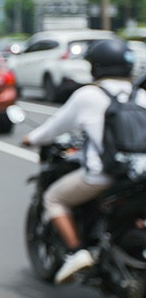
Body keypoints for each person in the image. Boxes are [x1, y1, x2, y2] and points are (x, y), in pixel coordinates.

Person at [22, 38, 146, 284]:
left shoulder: (89, 94)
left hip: (103, 175)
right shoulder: (140, 95)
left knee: (53, 198)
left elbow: (53, 128)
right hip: (139, 176)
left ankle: (76, 252)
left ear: (96, 67)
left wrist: (30, 139)